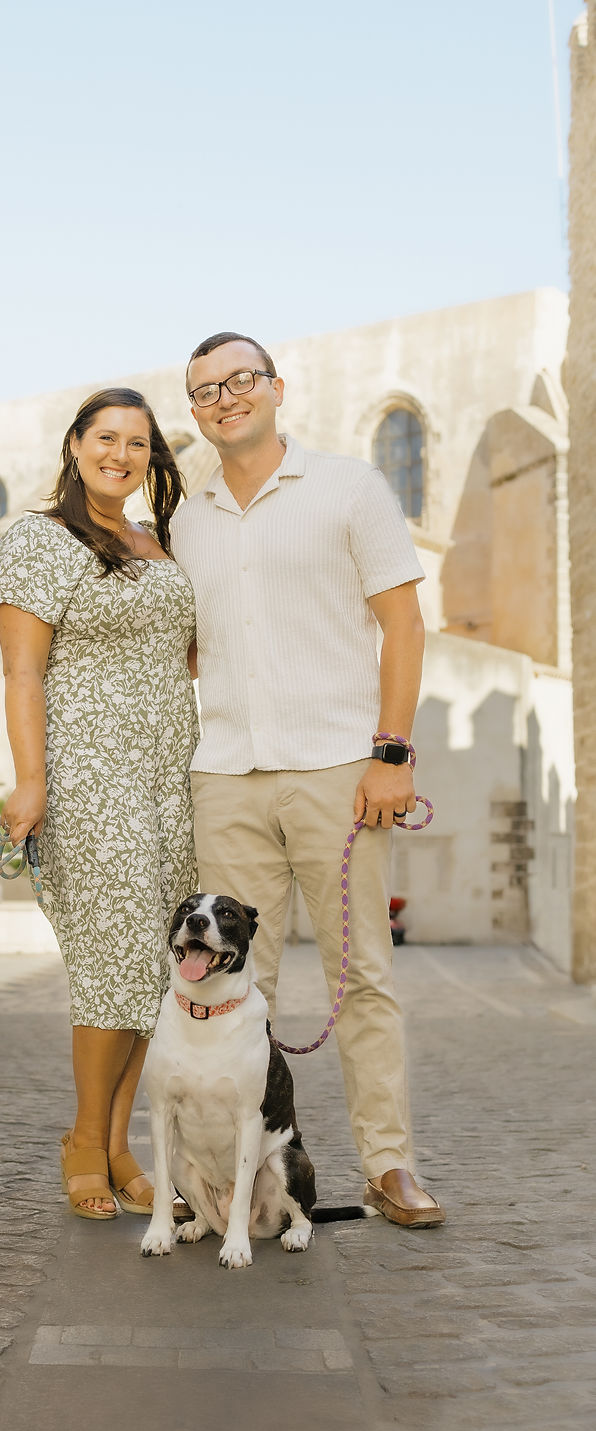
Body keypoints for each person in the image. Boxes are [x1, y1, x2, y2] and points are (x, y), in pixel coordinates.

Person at [170, 332, 445, 1228]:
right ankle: (235, 1177)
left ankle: (388, 1165)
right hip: (226, 775)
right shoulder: (186, 522)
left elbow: (403, 625)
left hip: (339, 771)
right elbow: (190, 649)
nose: (225, 398)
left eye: (240, 380)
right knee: (227, 987)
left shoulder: (349, 488)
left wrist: (392, 751)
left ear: (276, 387)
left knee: (361, 975)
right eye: (205, 390)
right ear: (194, 409)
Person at [0, 387, 198, 1220]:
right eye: (106, 437)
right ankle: (83, 1138)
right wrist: (31, 781)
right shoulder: (39, 539)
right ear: (75, 444)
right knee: (111, 964)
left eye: (137, 443)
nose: (120, 454)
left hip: (170, 778)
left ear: (151, 457)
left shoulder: (158, 545)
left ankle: (117, 1145)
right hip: (88, 779)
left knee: (155, 967)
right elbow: (22, 672)